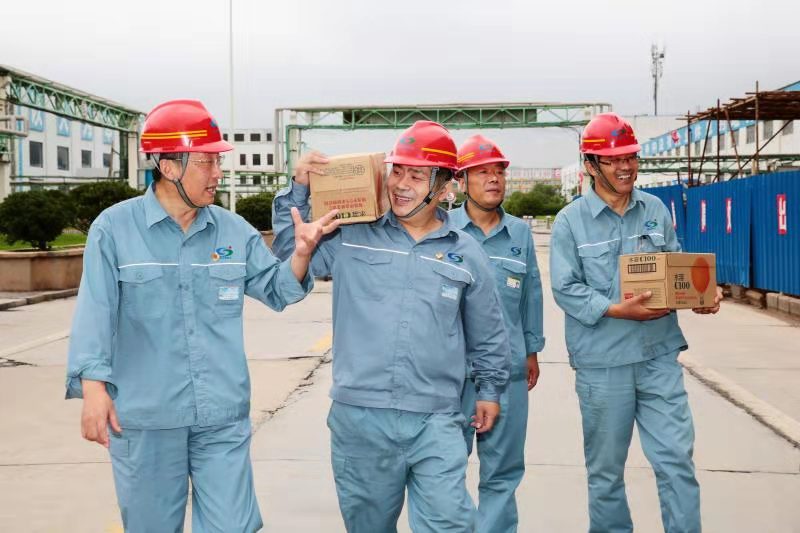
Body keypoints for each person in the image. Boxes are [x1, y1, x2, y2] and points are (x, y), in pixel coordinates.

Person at [66, 99, 339, 532]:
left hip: (221, 415)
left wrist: (302, 254)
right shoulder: (113, 229)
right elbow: (95, 311)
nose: (218, 173)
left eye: (218, 161)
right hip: (148, 418)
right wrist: (93, 387)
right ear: (168, 166)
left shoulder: (233, 230)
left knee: (233, 526)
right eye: (207, 162)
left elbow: (277, 289)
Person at [271, 120, 511, 532]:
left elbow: (487, 331)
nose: (400, 184)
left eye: (416, 175)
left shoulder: (467, 253)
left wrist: (489, 389)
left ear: (444, 186)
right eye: (397, 170)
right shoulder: (349, 234)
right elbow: (288, 264)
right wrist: (298, 193)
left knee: (450, 524)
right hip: (361, 417)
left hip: (436, 417)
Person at [549, 112, 722, 533]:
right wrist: (615, 309)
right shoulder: (570, 221)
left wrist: (699, 296)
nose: (626, 167)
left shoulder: (655, 209)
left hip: (658, 356)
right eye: (613, 160)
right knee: (606, 471)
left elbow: (675, 268)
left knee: (676, 460)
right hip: (603, 363)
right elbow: (565, 289)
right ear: (591, 165)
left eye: (630, 157)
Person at [451, 134, 545, 533]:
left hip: (507, 372)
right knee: (443, 470)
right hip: (451, 375)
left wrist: (531, 350)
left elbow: (531, 294)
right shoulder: (443, 229)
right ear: (461, 181)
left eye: (499, 172)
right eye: (482, 172)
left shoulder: (520, 234)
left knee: (503, 472)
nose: (494, 179)